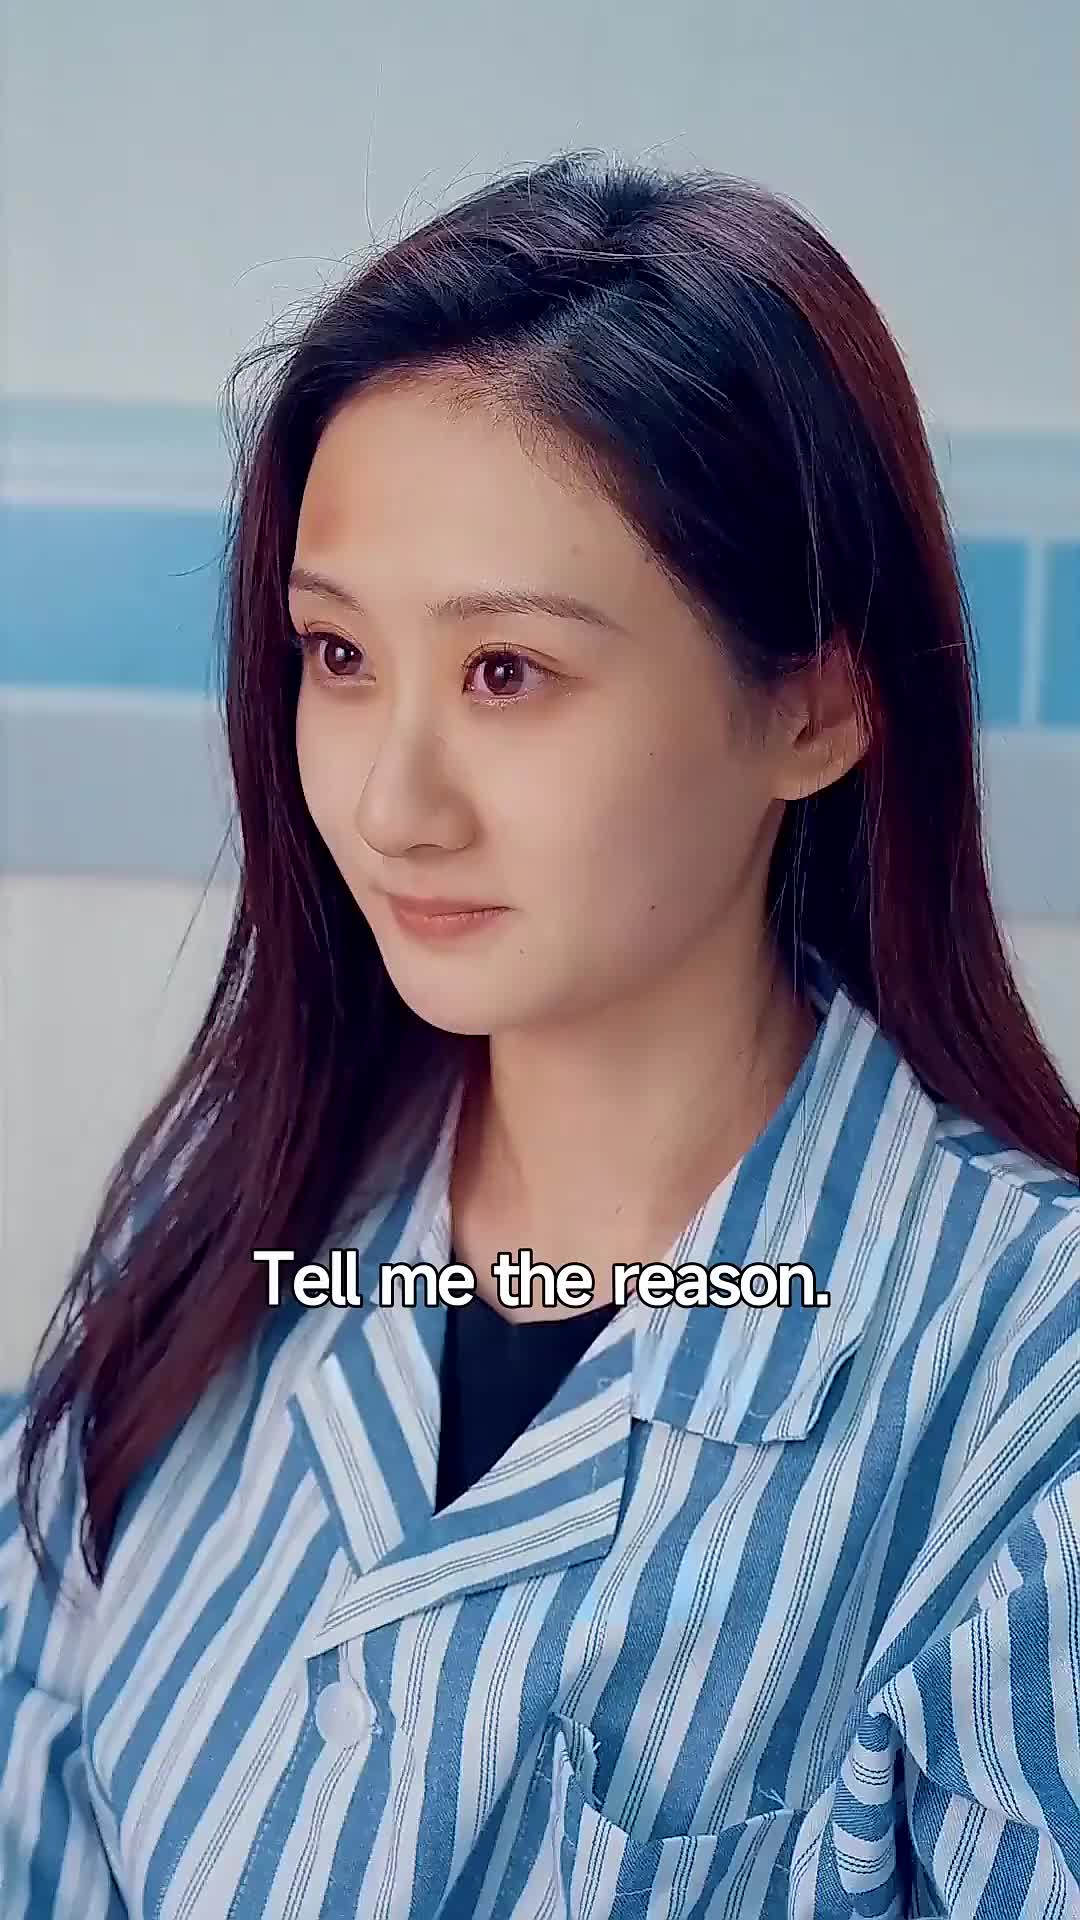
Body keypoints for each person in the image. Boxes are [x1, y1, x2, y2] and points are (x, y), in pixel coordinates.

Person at [2, 150, 1078, 1920]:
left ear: (817, 707)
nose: (391, 804)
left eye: (507, 673)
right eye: (338, 658)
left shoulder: (1028, 1395)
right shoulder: (233, 1202)